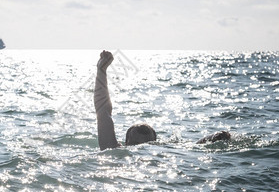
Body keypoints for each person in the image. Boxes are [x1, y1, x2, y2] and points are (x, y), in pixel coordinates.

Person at [94, 50, 230, 150]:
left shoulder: (114, 150)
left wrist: (101, 71)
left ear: (126, 142)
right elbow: (193, 148)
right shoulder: (167, 151)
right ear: (156, 142)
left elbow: (103, 112)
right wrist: (212, 138)